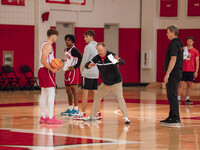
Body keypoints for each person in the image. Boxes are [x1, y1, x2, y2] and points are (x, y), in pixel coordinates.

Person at [84, 42, 130, 124]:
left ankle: (126, 117)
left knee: (120, 97)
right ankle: (93, 117)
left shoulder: (111, 55)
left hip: (116, 82)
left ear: (105, 49)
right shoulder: (97, 58)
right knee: (97, 97)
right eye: (98, 50)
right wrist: (88, 65)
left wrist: (117, 61)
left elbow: (123, 62)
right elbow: (86, 64)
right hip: (105, 83)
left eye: (101, 50)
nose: (100, 52)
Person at [73, 30, 102, 120]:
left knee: (84, 93)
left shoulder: (88, 47)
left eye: (86, 37)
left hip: (88, 72)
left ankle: (82, 113)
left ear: (90, 36)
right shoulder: (97, 46)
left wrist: (82, 71)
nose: (84, 39)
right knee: (95, 93)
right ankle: (97, 113)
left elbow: (84, 60)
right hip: (95, 73)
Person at [38, 28, 62, 124]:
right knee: (51, 94)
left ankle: (43, 116)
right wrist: (52, 69)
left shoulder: (45, 45)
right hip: (46, 71)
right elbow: (43, 61)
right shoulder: (48, 46)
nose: (56, 38)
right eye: (56, 36)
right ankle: (51, 117)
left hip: (42, 70)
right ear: (52, 35)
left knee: (44, 94)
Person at [160, 25, 183, 124]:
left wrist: (167, 74)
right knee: (170, 95)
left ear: (173, 32)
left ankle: (176, 118)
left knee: (172, 95)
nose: (166, 34)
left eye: (168, 32)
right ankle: (171, 115)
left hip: (173, 73)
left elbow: (173, 59)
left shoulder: (174, 44)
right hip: (176, 73)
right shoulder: (179, 43)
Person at [60, 34, 82, 117]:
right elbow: (68, 59)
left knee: (74, 90)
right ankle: (70, 108)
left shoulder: (74, 49)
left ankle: (76, 109)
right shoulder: (65, 49)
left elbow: (81, 57)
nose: (67, 41)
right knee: (68, 91)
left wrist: (75, 67)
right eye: (66, 40)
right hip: (66, 71)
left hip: (73, 72)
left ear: (72, 41)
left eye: (69, 40)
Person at [178, 36, 199, 105]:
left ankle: (187, 99)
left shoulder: (195, 51)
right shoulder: (183, 50)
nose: (189, 42)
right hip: (183, 70)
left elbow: (197, 62)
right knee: (181, 85)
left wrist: (196, 71)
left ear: (193, 42)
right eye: (188, 41)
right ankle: (178, 99)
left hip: (191, 70)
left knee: (189, 85)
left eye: (190, 41)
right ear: (186, 42)